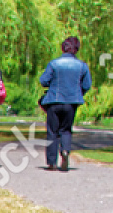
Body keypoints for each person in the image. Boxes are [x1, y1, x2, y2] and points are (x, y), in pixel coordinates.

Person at [38, 36, 92, 171]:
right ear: (76, 49)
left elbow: (43, 81)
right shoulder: (82, 66)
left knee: (52, 131)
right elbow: (87, 85)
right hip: (71, 102)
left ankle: (51, 162)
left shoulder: (54, 64)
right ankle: (65, 151)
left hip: (54, 101)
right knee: (66, 130)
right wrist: (77, 93)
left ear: (63, 48)